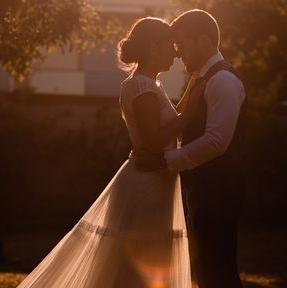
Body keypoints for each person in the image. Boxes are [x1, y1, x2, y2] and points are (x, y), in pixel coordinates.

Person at [16, 17, 200, 288]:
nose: (175, 52)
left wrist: (192, 90)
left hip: (157, 182)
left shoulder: (150, 85)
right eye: (169, 46)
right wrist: (192, 112)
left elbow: (170, 122)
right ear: (153, 49)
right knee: (134, 263)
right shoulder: (141, 87)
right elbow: (152, 141)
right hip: (146, 186)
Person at [136, 9, 247, 288]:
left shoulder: (222, 80)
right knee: (205, 272)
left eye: (182, 44)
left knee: (218, 271)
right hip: (203, 189)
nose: (178, 53)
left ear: (204, 41)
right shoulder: (202, 80)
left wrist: (165, 161)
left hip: (218, 191)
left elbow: (216, 142)